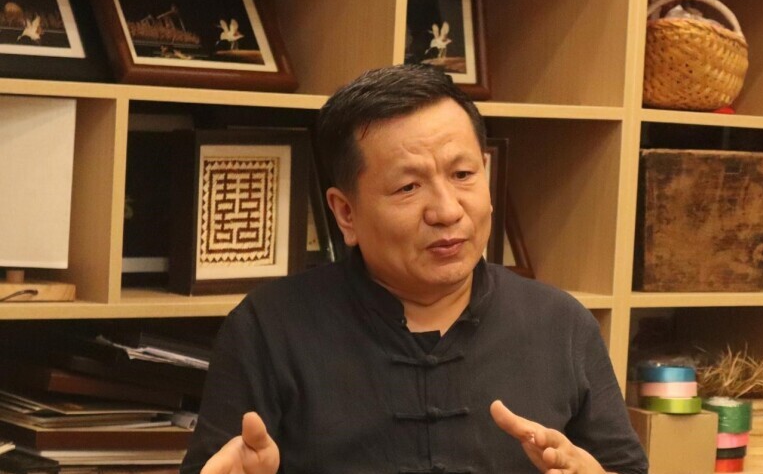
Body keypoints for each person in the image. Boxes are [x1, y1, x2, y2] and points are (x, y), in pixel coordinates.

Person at [180, 64, 648, 474]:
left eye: (463, 175)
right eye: (408, 187)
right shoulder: (268, 328)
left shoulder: (561, 324)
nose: (447, 210)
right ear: (346, 213)